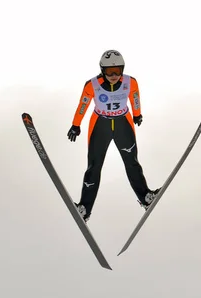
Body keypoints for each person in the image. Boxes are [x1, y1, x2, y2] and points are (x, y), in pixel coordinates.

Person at [67, 49, 160, 223]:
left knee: (132, 162)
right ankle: (84, 209)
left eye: (118, 70)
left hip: (122, 124)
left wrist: (137, 113)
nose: (114, 75)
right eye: (110, 71)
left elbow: (135, 97)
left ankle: (146, 196)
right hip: (100, 125)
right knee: (94, 167)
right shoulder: (92, 85)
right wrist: (75, 124)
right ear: (102, 70)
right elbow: (83, 104)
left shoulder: (130, 82)